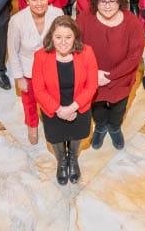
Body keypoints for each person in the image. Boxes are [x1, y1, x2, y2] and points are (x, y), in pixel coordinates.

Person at [79, 0, 145, 150]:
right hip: (94, 78)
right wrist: (93, 75)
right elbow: (77, 48)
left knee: (118, 109)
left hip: (121, 79)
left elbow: (134, 57)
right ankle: (101, 127)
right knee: (98, 108)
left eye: (112, 1)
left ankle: (115, 128)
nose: (107, 6)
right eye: (102, 1)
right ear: (96, 2)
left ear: (120, 1)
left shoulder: (132, 22)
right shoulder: (85, 18)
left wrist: (109, 76)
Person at [32, 15, 97, 184]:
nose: (63, 42)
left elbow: (92, 86)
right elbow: (39, 89)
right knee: (57, 138)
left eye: (68, 37)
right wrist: (60, 110)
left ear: (75, 36)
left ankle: (73, 159)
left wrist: (72, 108)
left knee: (77, 136)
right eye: (58, 37)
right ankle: (62, 161)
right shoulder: (41, 56)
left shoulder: (87, 52)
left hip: (79, 108)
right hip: (53, 110)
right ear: (51, 37)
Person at [8, 0, 65, 145]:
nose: (39, 3)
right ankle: (32, 125)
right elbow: (13, 50)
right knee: (29, 100)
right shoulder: (17, 21)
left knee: (53, 98)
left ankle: (53, 123)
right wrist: (19, 77)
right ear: (26, 0)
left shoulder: (57, 13)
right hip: (28, 70)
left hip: (52, 67)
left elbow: (63, 41)